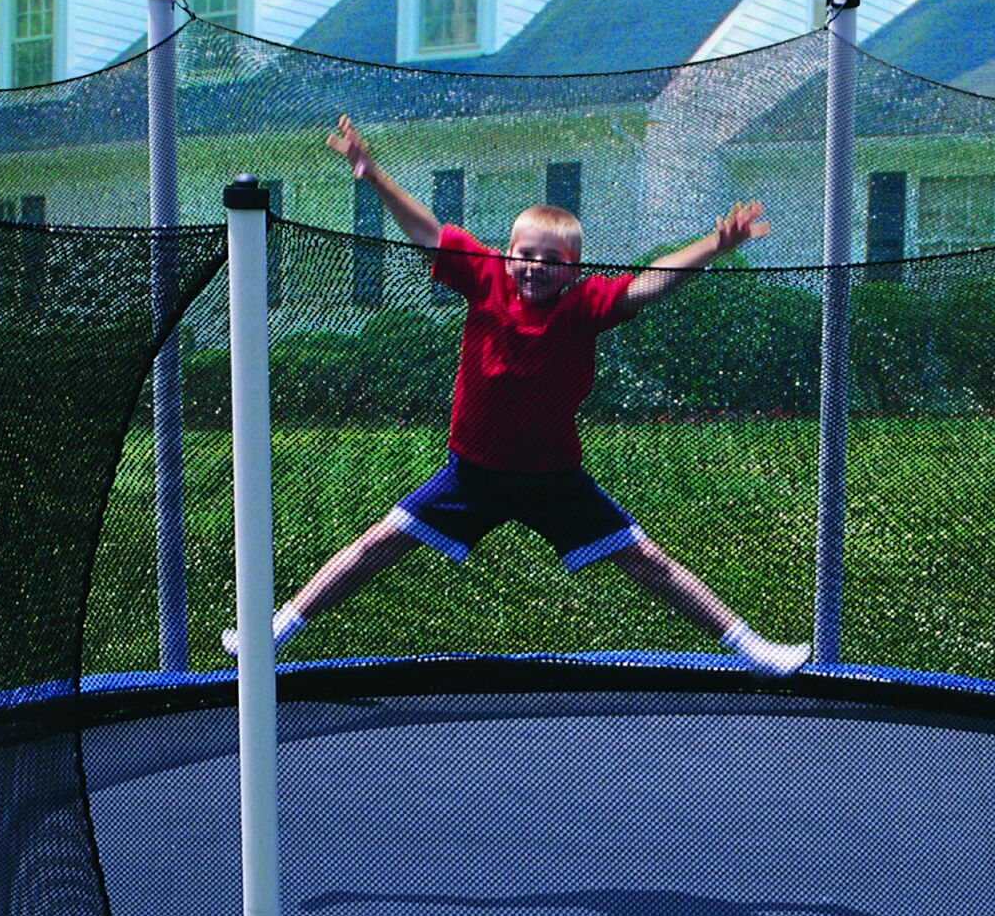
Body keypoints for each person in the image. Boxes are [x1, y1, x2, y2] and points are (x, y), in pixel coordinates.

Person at [219, 115, 811, 675]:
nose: (533, 267)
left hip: (554, 479)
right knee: (382, 540)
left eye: (551, 260)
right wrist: (372, 173)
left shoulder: (585, 306)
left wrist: (713, 246)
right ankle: (272, 632)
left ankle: (749, 647)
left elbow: (649, 284)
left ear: (573, 270)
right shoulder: (484, 278)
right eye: (525, 254)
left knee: (643, 556)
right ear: (507, 256)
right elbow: (426, 231)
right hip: (471, 474)